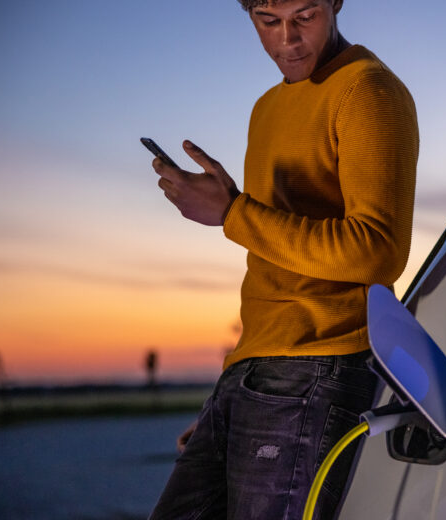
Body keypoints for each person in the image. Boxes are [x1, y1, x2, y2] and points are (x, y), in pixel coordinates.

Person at [148, 0, 418, 518]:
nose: (287, 39)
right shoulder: (267, 106)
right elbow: (274, 269)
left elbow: (378, 251)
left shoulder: (367, 90)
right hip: (257, 372)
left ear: (337, 3)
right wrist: (229, 394)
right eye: (268, 20)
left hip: (319, 368)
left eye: (305, 15)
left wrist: (231, 213)